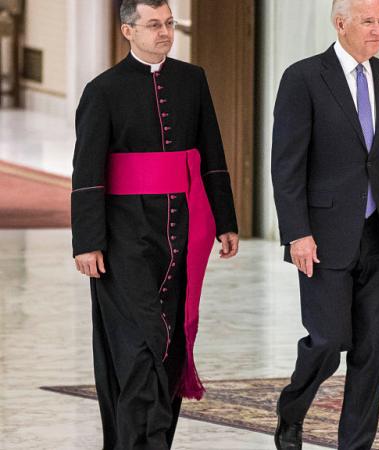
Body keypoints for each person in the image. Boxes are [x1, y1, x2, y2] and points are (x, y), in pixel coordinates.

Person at [71, 0, 239, 448]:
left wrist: (226, 219)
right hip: (124, 236)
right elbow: (86, 171)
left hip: (181, 230)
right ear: (128, 31)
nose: (164, 32)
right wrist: (87, 242)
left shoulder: (192, 79)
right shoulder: (102, 90)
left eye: (168, 23)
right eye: (153, 25)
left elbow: (212, 154)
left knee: (169, 346)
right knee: (139, 347)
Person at [270, 0, 379, 448]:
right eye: (368, 22)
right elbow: (286, 164)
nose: (377, 31)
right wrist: (297, 232)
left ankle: (356, 445)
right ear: (340, 24)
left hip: (378, 234)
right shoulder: (303, 78)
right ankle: (292, 409)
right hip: (322, 235)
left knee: (371, 351)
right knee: (328, 340)